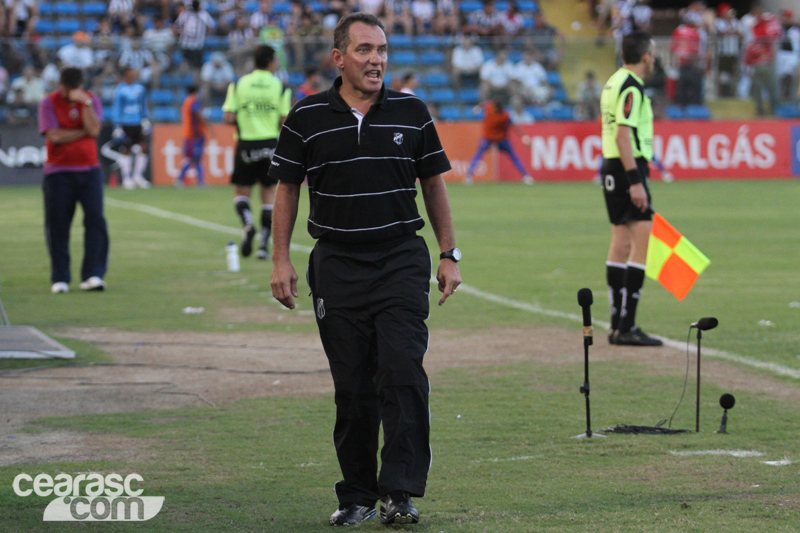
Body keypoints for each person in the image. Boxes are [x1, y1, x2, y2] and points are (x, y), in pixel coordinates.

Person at [268, 12, 461, 527]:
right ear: (338, 58)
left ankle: (399, 491)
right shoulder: (304, 117)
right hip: (335, 265)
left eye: (381, 50)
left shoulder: (412, 112)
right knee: (352, 386)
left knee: (402, 374)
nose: (376, 60)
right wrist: (281, 258)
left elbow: (434, 184)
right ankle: (355, 495)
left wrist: (448, 252)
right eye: (364, 50)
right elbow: (287, 189)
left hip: (400, 259)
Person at [599, 30, 662, 347]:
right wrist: (636, 181)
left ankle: (616, 324)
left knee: (620, 242)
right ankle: (627, 325)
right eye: (653, 51)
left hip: (611, 166)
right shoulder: (632, 87)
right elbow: (624, 135)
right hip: (628, 167)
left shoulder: (612, 81)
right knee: (640, 241)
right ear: (646, 56)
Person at [38, 67, 109, 294]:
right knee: (58, 225)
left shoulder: (91, 100)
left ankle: (93, 275)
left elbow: (95, 130)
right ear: (62, 86)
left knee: (96, 221)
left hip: (89, 170)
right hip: (58, 172)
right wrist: (82, 131)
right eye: (69, 90)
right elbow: (54, 136)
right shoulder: (48, 103)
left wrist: (86, 105)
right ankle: (60, 278)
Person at [222, 44, 291, 260]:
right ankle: (263, 244)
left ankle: (248, 224)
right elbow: (284, 120)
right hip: (270, 144)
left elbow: (228, 117)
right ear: (271, 61)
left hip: (246, 144)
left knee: (241, 192)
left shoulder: (239, 83)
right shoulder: (280, 86)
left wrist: (247, 116)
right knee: (268, 194)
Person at [464, 95, 533, 184]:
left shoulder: (498, 112)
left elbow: (513, 125)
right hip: (491, 138)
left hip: (498, 139)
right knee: (479, 155)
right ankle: (469, 175)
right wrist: (523, 136)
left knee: (513, 156)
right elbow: (514, 126)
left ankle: (526, 176)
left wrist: (523, 136)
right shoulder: (500, 112)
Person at [111, 67, 151, 189]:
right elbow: (117, 108)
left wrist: (145, 118)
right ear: (125, 74)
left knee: (143, 147)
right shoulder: (120, 90)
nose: (133, 74)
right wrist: (117, 125)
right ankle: (126, 178)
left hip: (138, 122)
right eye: (130, 72)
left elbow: (143, 104)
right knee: (126, 149)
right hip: (126, 123)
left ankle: (138, 176)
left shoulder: (140, 88)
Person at [176, 85, 206, 186]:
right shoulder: (193, 101)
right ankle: (180, 179)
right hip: (194, 134)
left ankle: (200, 181)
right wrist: (206, 124)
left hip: (189, 133)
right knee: (192, 158)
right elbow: (197, 115)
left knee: (195, 158)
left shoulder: (186, 102)